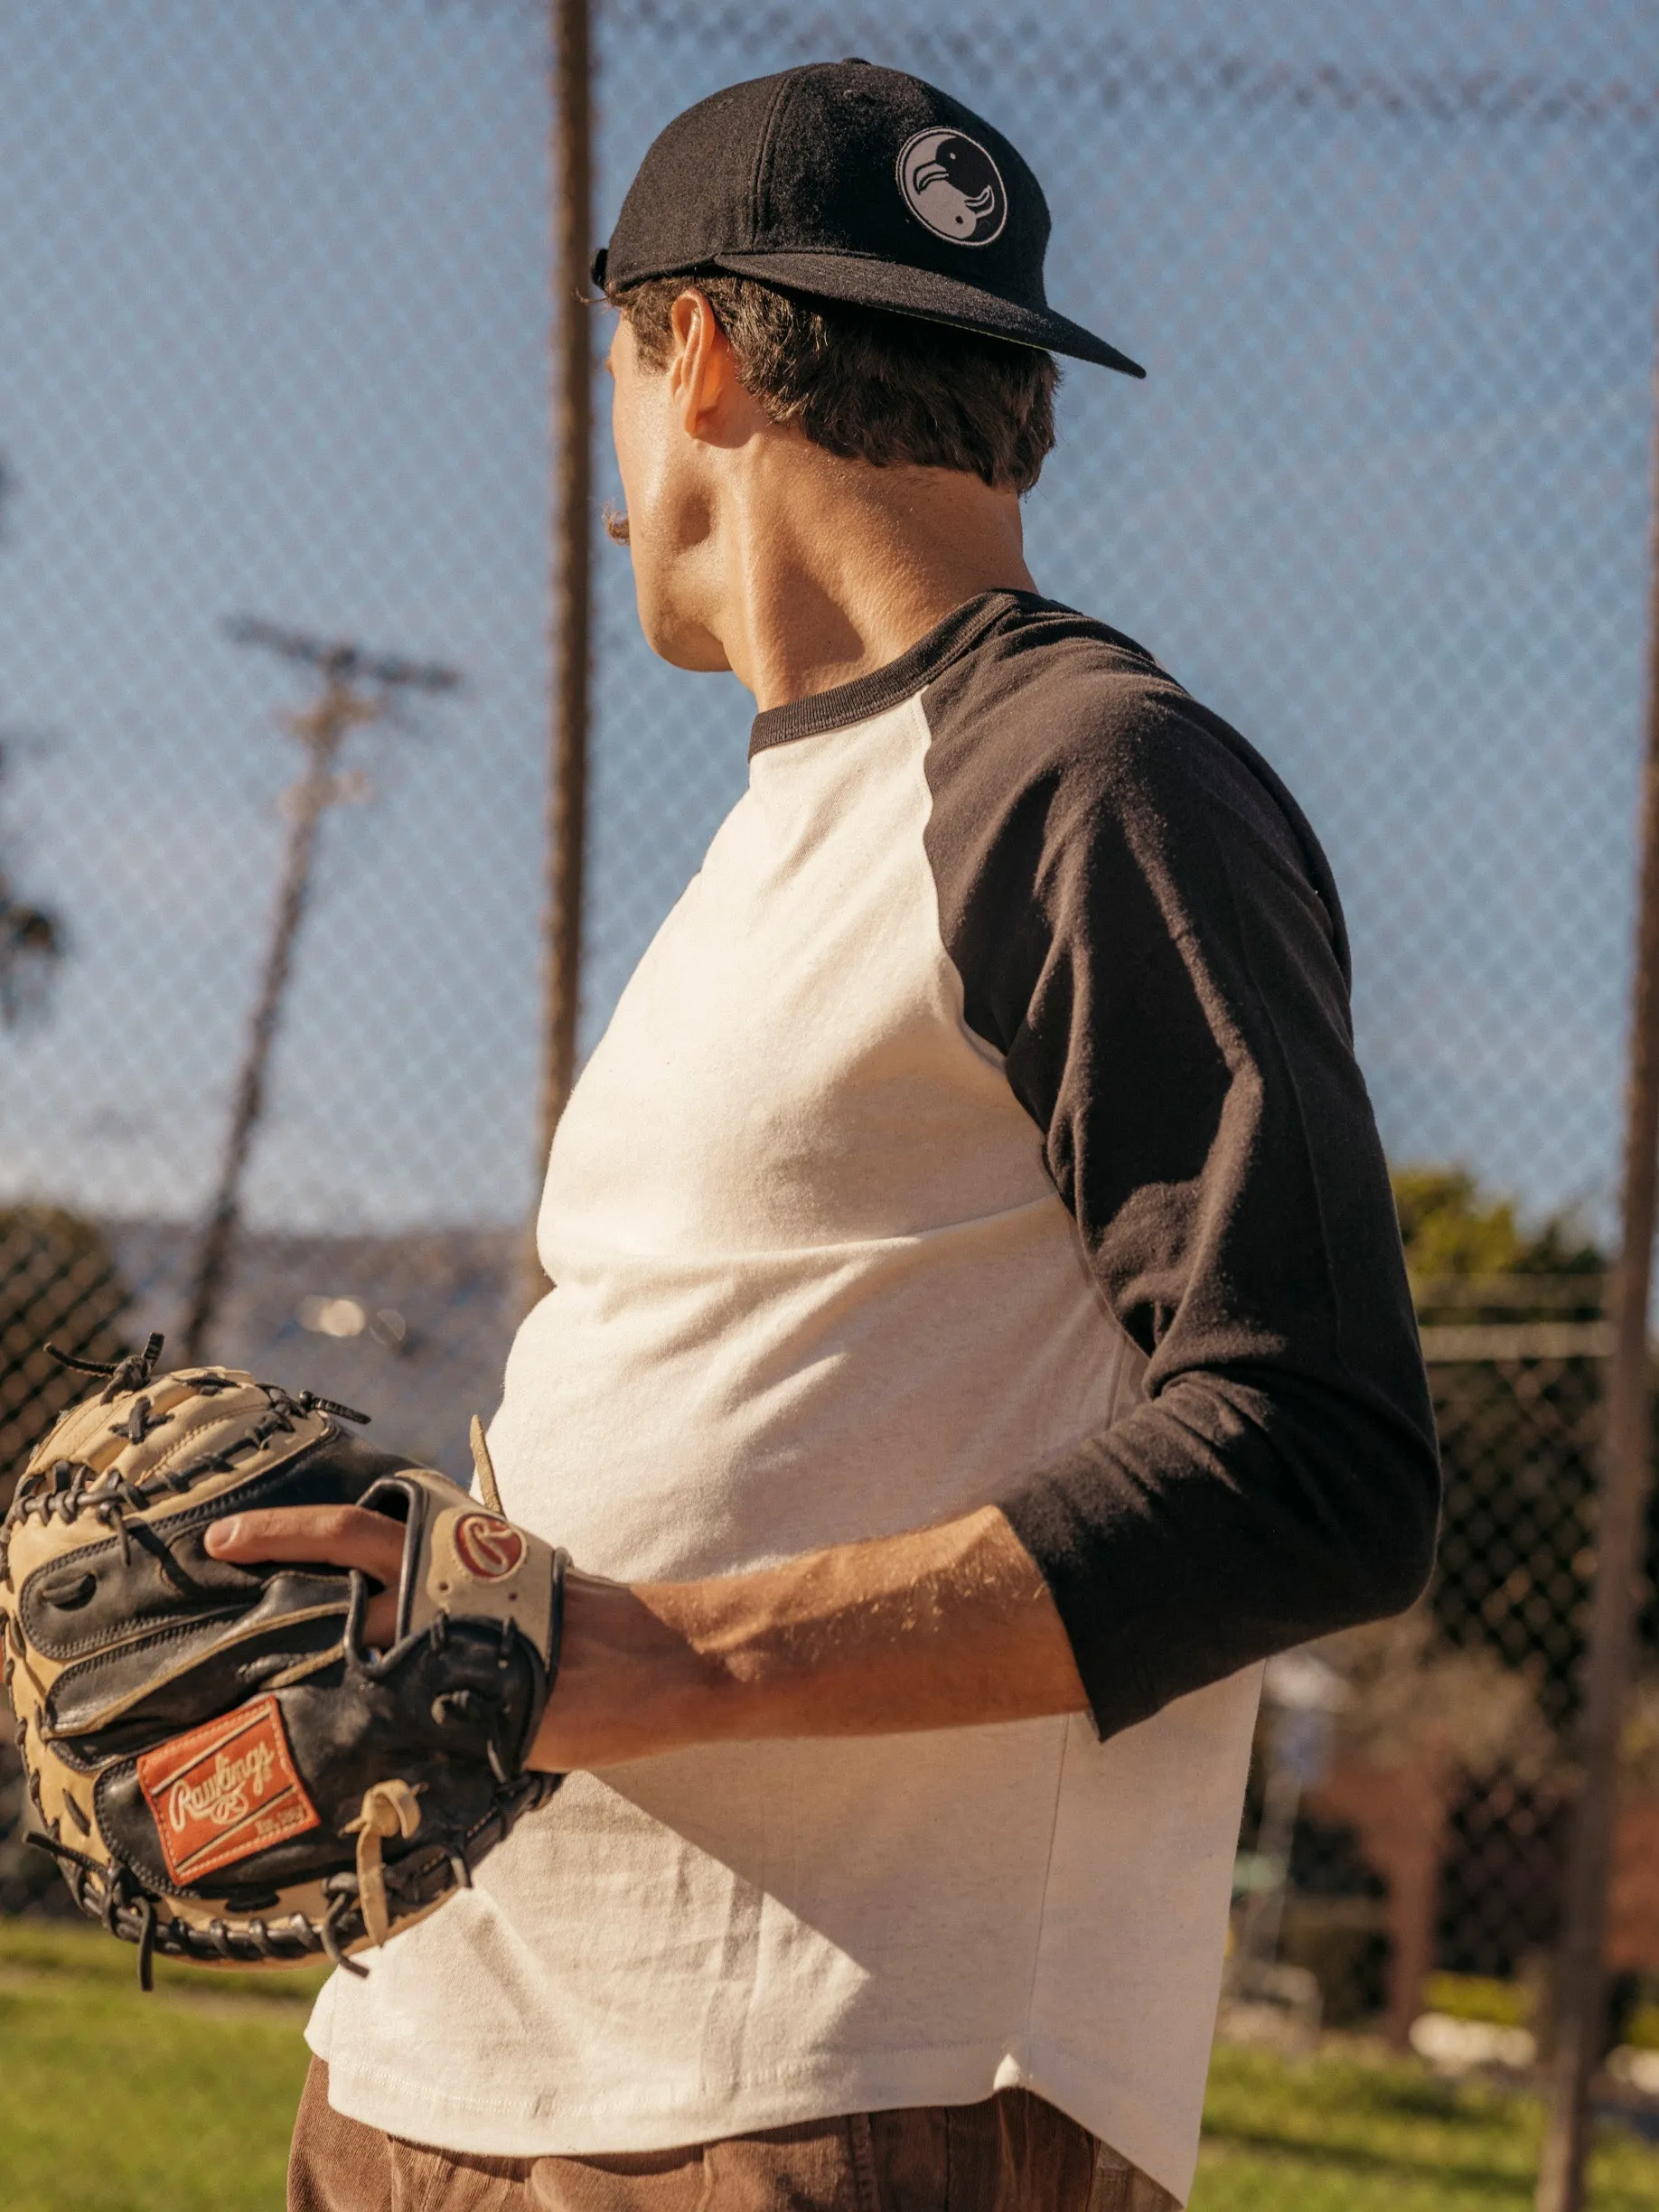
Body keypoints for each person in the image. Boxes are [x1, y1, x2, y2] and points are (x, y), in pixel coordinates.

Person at [208, 59, 1440, 2212]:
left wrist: (673, 1656)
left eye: (612, 371)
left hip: (829, 2091)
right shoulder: (787, 827)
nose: (607, 479)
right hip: (443, 2069)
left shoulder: (1086, 773)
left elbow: (1319, 1462)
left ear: (691, 356)